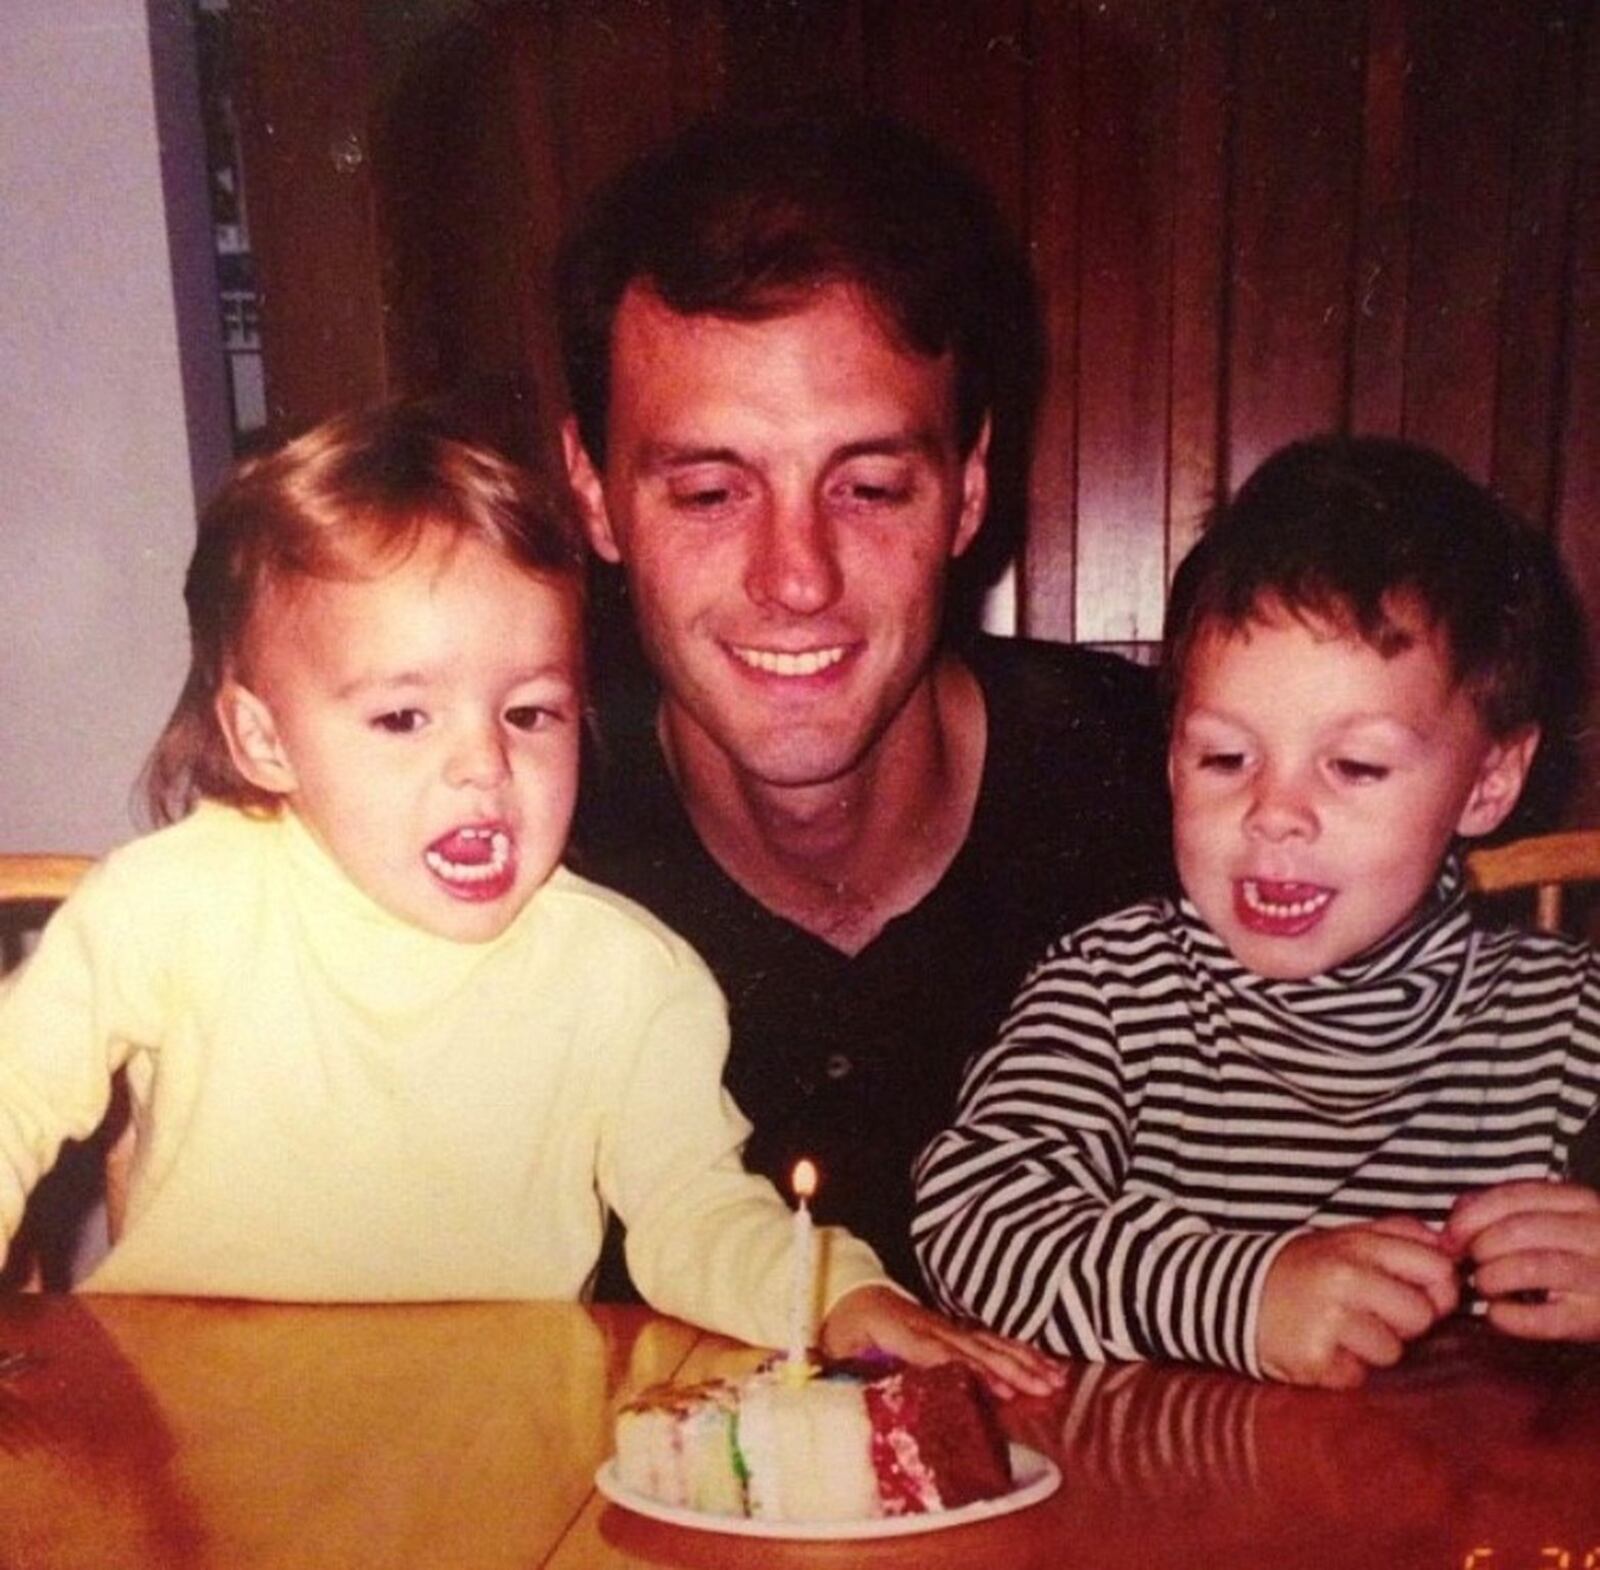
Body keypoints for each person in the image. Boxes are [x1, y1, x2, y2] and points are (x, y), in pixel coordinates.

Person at [0, 404, 1056, 1393]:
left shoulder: (622, 974)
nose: (482, 767)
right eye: (404, 718)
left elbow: (692, 1210)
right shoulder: (175, 901)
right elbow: (15, 1098)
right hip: (195, 1405)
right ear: (265, 739)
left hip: (492, 1420)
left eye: (531, 713)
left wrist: (832, 1293)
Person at [559, 108, 1173, 1296]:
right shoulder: (508, 842)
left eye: (871, 484)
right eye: (707, 491)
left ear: (969, 486)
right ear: (593, 494)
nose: (797, 578)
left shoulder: (1178, 795)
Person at [913, 435, 1600, 1389]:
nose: (1274, 814)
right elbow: (970, 1218)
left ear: (1489, 782)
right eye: (1225, 759)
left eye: (1355, 766)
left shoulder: (1571, 1022)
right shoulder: (1113, 989)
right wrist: (1244, 1296)